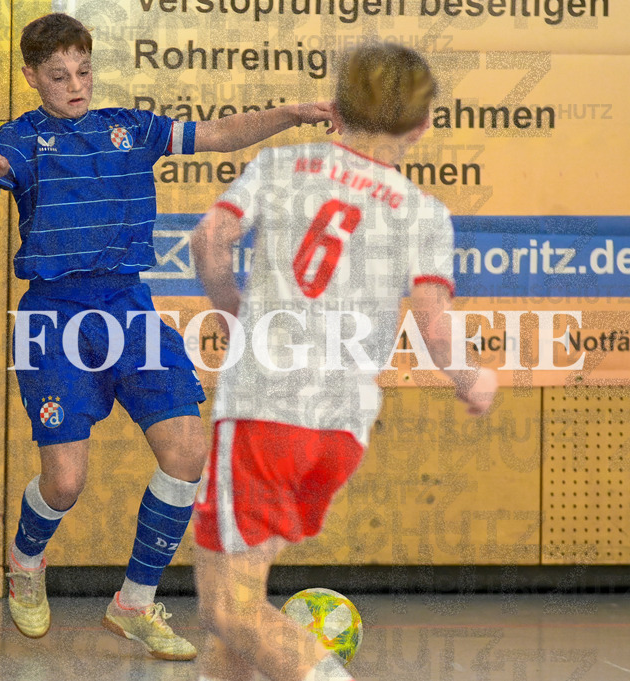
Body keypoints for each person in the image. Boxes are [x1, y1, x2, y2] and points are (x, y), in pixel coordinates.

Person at [0, 12, 338, 660]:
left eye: (83, 72)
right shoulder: (20, 142)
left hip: (128, 307)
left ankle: (133, 601)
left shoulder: (130, 128)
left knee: (187, 450)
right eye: (58, 76)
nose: (74, 85)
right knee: (66, 482)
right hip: (56, 317)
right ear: (32, 77)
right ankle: (25, 560)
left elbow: (218, 134)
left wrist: (294, 112)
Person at [189, 43, 499, 681]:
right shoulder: (423, 212)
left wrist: (229, 306)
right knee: (241, 614)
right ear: (422, 125)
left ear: (334, 108)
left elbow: (209, 238)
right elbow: (435, 325)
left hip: (264, 412)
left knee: (229, 608)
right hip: (340, 430)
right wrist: (472, 377)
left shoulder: (282, 167)